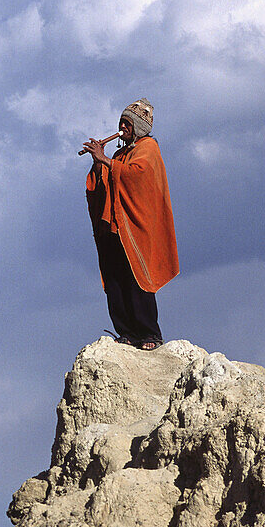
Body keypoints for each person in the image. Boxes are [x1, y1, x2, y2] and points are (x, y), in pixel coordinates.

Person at [82, 98, 179, 351]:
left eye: (127, 124)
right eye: (121, 123)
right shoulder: (120, 153)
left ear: (138, 127)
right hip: (115, 228)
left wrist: (105, 161)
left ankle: (149, 333)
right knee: (115, 279)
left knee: (136, 278)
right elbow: (108, 181)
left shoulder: (148, 149)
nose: (122, 128)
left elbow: (138, 176)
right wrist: (98, 163)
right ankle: (125, 332)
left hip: (136, 228)